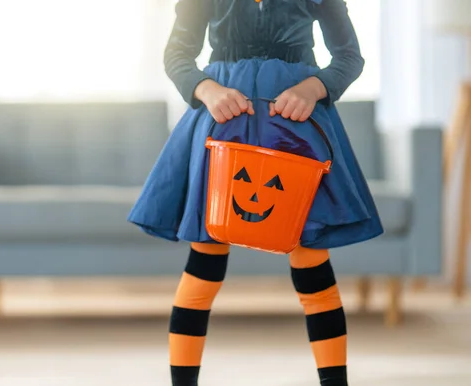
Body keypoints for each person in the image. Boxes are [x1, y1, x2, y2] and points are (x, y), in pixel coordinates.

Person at [127, 0, 384, 385]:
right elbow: (177, 55)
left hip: (298, 129)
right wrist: (206, 89)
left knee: (311, 262)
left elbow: (348, 56)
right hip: (221, 125)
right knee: (205, 261)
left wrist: (313, 89)